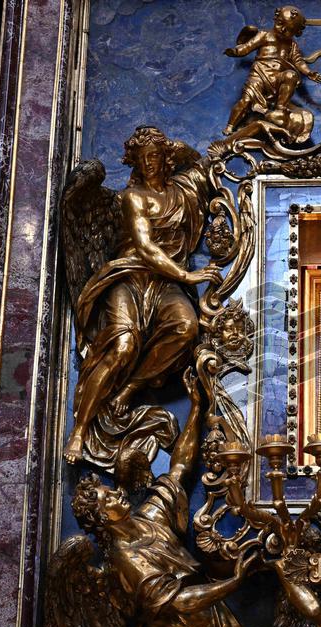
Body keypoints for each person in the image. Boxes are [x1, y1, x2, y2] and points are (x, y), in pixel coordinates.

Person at [70, 370, 253, 627]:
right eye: (106, 499)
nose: (115, 495)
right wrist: (234, 582)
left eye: (109, 491)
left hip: (208, 622)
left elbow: (179, 467)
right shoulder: (125, 555)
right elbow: (178, 602)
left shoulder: (150, 516)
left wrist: (196, 407)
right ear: (100, 517)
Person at [64, 126, 221, 463]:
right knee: (123, 345)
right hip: (130, 277)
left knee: (187, 327)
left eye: (155, 156)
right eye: (142, 158)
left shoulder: (183, 191)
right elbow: (146, 248)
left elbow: (203, 164)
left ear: (166, 158)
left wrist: (178, 148)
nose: (149, 163)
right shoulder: (132, 197)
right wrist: (187, 275)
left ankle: (131, 388)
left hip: (163, 286)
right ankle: (79, 430)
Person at [222, 6, 321, 144]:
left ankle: (280, 107)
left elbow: (298, 61)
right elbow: (247, 47)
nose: (282, 30)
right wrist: (235, 52)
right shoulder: (264, 35)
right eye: (280, 24)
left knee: (291, 75)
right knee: (245, 101)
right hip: (259, 74)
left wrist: (308, 72)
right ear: (276, 19)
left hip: (277, 78)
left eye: (288, 30)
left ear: (296, 32)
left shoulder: (291, 44)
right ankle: (231, 125)